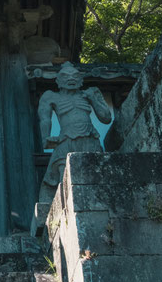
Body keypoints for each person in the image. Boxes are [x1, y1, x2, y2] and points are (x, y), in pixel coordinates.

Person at [36, 62, 112, 206]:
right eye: (66, 76)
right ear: (58, 80)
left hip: (90, 139)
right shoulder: (51, 96)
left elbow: (106, 118)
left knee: (95, 173)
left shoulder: (88, 94)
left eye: (75, 76)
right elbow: (44, 119)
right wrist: (45, 138)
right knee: (64, 175)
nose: (71, 79)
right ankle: (65, 207)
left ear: (81, 79)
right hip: (66, 141)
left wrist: (94, 99)